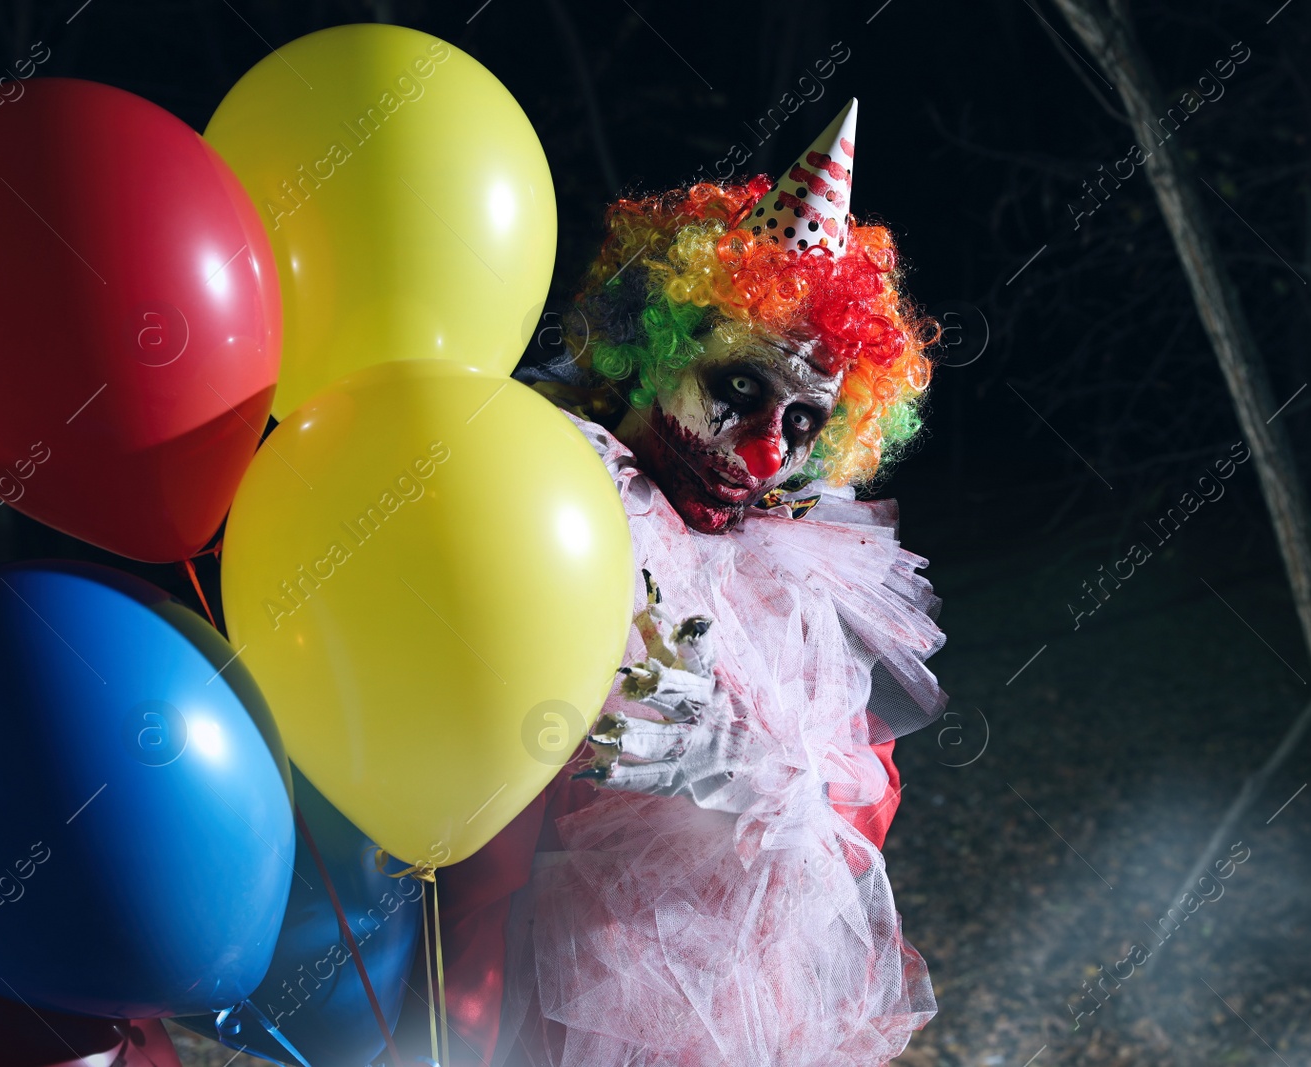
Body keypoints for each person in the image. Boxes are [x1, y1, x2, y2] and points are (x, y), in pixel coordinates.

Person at [395, 99, 947, 1067]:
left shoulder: (800, 573)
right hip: (538, 978)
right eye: (738, 386)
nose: (768, 448)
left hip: (735, 997)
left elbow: (862, 811)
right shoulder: (554, 498)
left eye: (806, 421)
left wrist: (767, 778)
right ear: (656, 341)